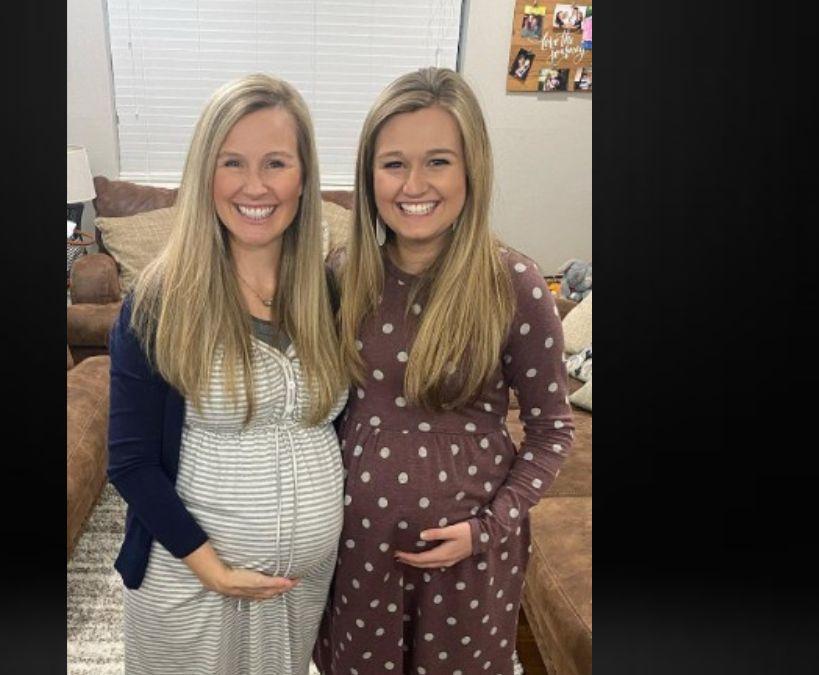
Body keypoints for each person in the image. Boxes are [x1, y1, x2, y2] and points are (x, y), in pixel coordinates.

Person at [314, 67, 575, 675]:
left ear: (470, 170)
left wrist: (490, 527)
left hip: (470, 561)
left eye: (437, 161)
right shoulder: (340, 274)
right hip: (355, 546)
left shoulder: (514, 284)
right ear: (368, 174)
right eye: (393, 163)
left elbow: (551, 431)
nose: (414, 184)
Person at [107, 73, 350, 675]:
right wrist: (211, 567)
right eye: (232, 162)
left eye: (276, 162)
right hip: (190, 581)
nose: (255, 186)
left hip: (297, 590)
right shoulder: (160, 300)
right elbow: (130, 461)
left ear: (303, 176)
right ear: (204, 174)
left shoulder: (332, 293)